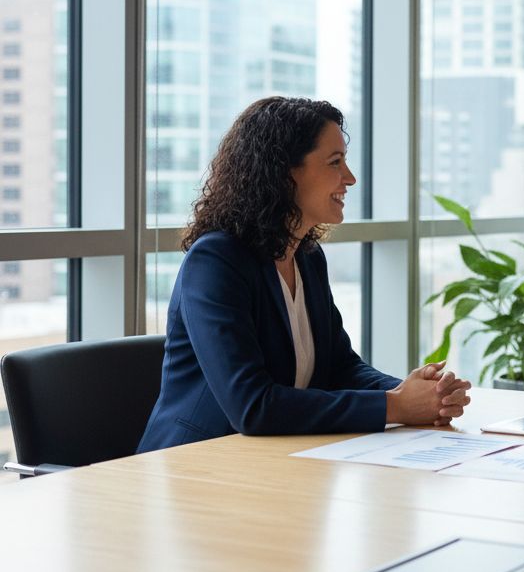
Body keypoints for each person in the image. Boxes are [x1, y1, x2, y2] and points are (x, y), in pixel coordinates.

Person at [137, 96, 470, 452]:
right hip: (193, 467)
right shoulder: (216, 261)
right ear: (284, 172)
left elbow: (340, 367)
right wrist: (397, 405)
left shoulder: (308, 258)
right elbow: (252, 406)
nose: (350, 178)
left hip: (272, 462)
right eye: (335, 162)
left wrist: (417, 393)